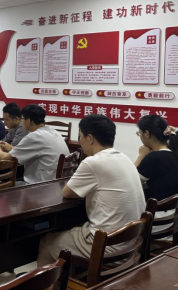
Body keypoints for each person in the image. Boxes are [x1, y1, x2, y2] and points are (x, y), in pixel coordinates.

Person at [38, 114, 145, 266]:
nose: (80, 141)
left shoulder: (93, 162)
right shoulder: (124, 157)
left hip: (107, 247)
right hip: (130, 244)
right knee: (74, 227)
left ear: (90, 138)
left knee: (47, 242)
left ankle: (47, 279)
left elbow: (67, 193)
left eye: (80, 136)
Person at [0, 104, 68, 184]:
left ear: (28, 121)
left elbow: (6, 158)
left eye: (22, 119)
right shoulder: (54, 132)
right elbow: (33, 150)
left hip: (40, 185)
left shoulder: (34, 136)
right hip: (58, 182)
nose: (21, 122)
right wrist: (11, 148)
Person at [135, 115, 178, 201]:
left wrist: (141, 156)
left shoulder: (155, 157)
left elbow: (130, 181)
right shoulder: (173, 152)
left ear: (147, 134)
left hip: (154, 207)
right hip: (170, 207)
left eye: (139, 133)